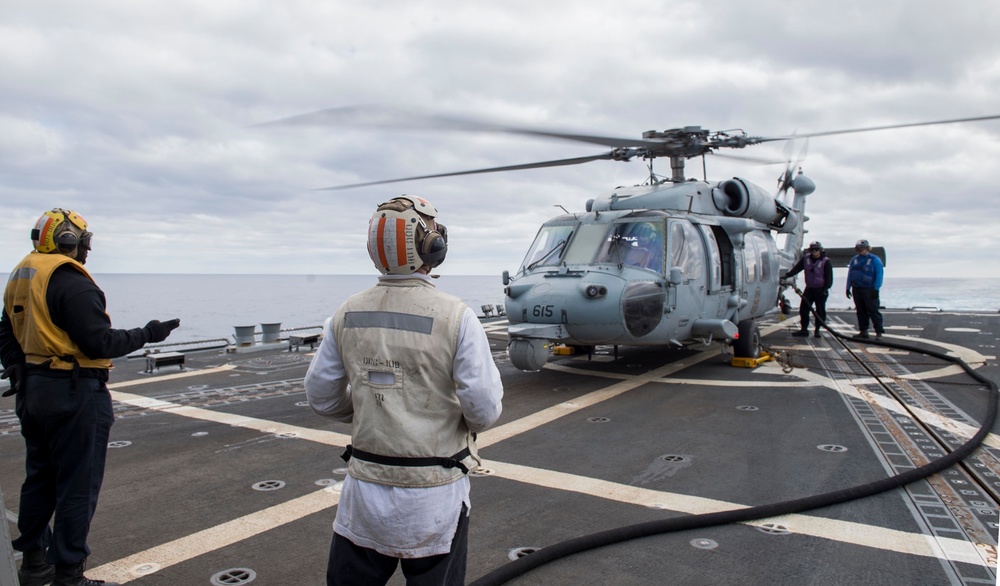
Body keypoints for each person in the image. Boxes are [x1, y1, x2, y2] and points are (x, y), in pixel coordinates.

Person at [304, 195, 504, 586]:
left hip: (364, 490)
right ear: (430, 247)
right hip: (434, 493)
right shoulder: (457, 317)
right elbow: (484, 408)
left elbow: (321, 396)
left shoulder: (344, 314)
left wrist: (367, 410)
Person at [0, 208, 180, 586]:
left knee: (39, 479)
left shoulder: (23, 275)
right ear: (67, 241)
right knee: (76, 487)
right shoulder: (72, 282)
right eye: (84, 242)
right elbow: (100, 342)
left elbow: (5, 331)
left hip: (33, 392)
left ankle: (34, 564)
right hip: (74, 392)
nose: (87, 250)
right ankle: (69, 575)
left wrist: (19, 368)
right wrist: (150, 332)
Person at [783, 241, 833, 338]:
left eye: (816, 249)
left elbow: (829, 277)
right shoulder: (806, 259)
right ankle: (804, 329)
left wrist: (826, 289)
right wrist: (787, 275)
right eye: (812, 250)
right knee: (804, 309)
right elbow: (797, 268)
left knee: (820, 310)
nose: (814, 252)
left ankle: (817, 330)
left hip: (820, 289)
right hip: (809, 288)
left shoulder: (826, 262)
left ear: (820, 250)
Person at [846, 238, 885, 339]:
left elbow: (879, 275)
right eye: (859, 248)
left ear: (867, 248)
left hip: (869, 289)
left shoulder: (875, 260)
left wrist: (876, 289)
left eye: (862, 248)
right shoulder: (854, 260)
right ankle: (863, 331)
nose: (861, 250)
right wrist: (848, 287)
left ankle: (879, 332)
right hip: (857, 289)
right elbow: (850, 274)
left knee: (873, 310)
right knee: (860, 311)